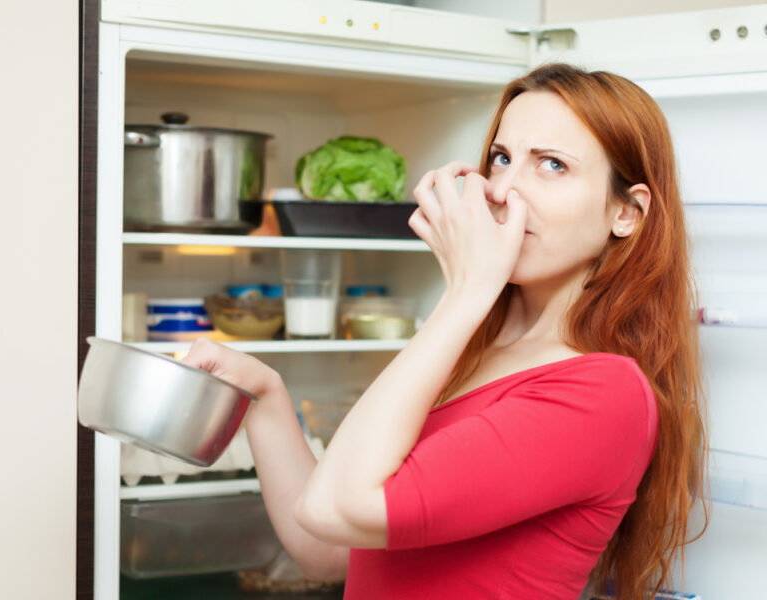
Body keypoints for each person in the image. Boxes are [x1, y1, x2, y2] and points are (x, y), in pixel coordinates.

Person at [183, 62, 707, 600]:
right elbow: (331, 546)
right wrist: (264, 394)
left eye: (552, 165)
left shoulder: (603, 393)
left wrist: (467, 291)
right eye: (501, 159)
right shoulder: (473, 352)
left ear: (627, 212)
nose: (503, 190)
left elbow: (335, 508)